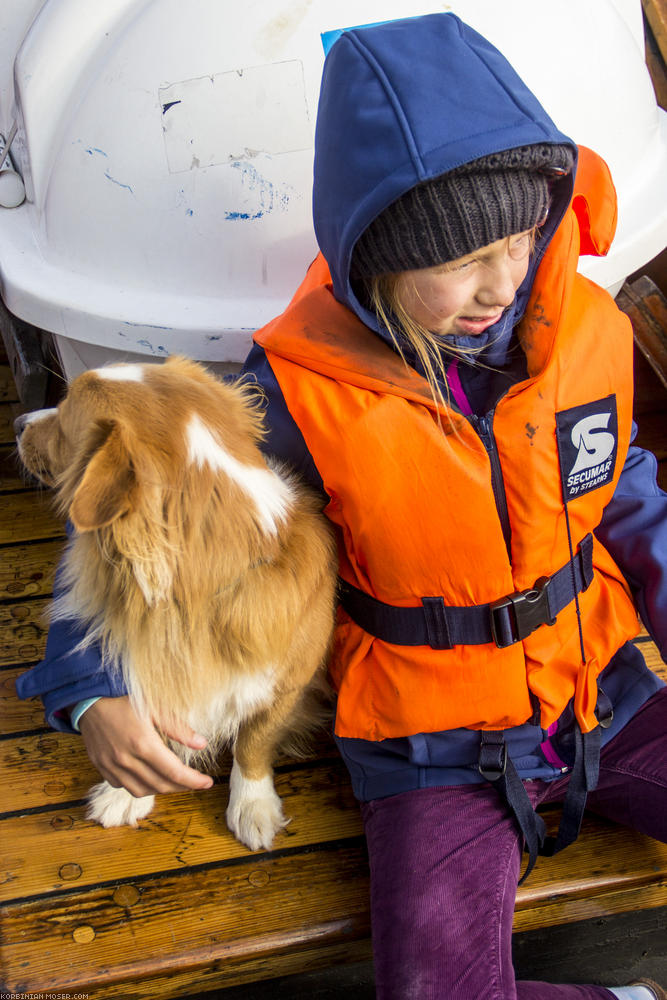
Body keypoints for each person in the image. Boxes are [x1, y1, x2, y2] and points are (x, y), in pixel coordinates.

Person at [16, 13, 667, 1000]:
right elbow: (147, 523)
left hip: (602, 685)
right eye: (454, 261)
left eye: (517, 241)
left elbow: (625, 490)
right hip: (435, 747)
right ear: (375, 256)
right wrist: (88, 686)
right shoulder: (296, 392)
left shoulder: (584, 327)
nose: (499, 283)